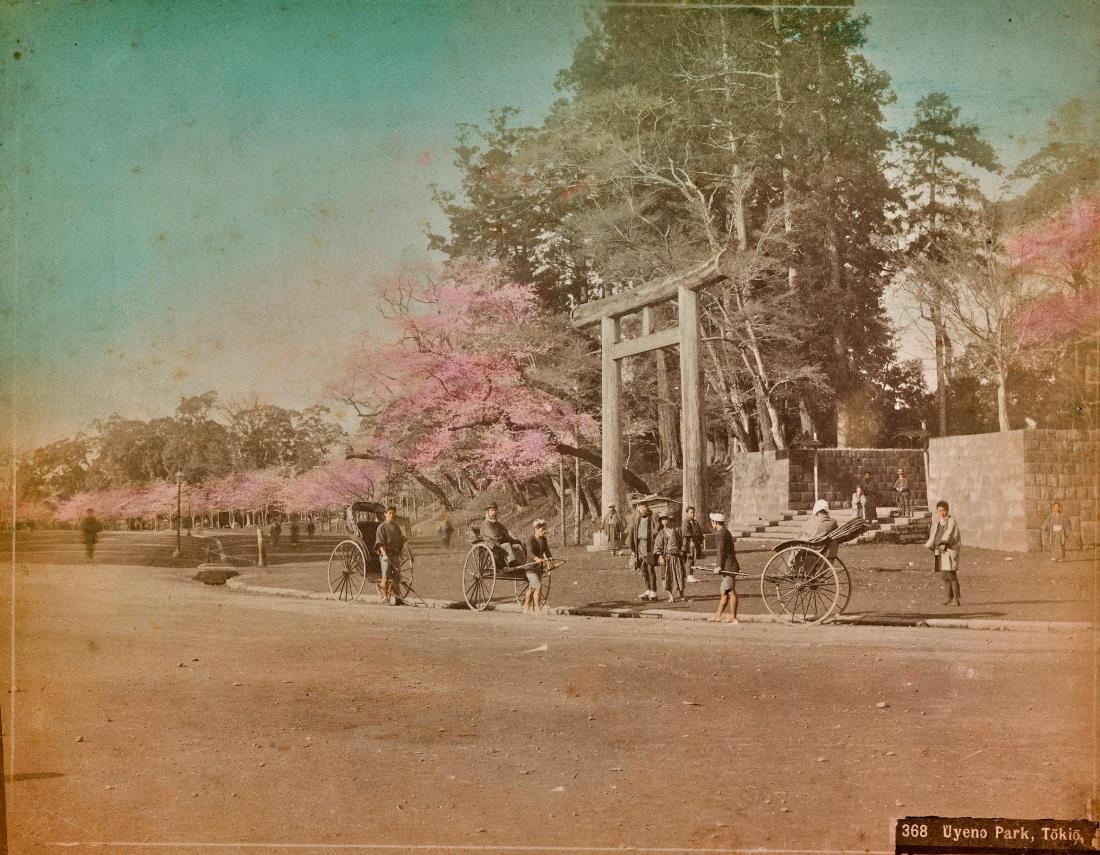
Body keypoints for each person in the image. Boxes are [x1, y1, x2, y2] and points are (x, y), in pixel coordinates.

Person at [925, 500, 961, 606]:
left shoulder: (951, 521)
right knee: (943, 575)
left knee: (950, 574)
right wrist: (931, 545)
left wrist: (943, 543)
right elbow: (934, 534)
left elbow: (950, 534)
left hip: (947, 550)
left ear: (947, 510)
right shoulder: (937, 522)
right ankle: (948, 598)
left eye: (944, 510)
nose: (942, 513)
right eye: (940, 510)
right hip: (938, 550)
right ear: (937, 511)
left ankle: (956, 599)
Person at [708, 512, 740, 624]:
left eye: (712, 522)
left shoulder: (721, 533)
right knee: (724, 592)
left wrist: (718, 566)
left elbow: (721, 551)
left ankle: (733, 617)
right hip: (729, 564)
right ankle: (717, 615)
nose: (712, 524)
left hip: (728, 566)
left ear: (715, 522)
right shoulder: (726, 532)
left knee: (730, 591)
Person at [375, 505, 407, 605]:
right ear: (385, 514)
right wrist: (384, 555)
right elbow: (380, 543)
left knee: (397, 577)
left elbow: (401, 540)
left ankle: (398, 599)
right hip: (386, 555)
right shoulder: (381, 527)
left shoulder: (396, 527)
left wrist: (400, 552)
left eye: (393, 513)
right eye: (390, 513)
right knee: (385, 577)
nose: (392, 515)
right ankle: (385, 597)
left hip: (395, 555)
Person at [628, 501, 659, 601]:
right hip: (640, 547)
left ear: (647, 508)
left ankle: (653, 591)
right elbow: (632, 532)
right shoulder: (637, 519)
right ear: (638, 509)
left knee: (650, 568)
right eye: (641, 508)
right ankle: (647, 589)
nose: (643, 510)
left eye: (644, 508)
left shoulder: (653, 517)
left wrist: (654, 534)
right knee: (643, 569)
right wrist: (633, 548)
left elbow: (657, 527)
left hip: (649, 547)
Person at [653, 513, 686, 603]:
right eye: (663, 520)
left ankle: (681, 595)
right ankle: (671, 596)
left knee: (680, 575)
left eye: (666, 519)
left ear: (669, 519)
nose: (665, 521)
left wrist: (682, 550)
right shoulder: (661, 533)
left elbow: (683, 540)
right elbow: (658, 546)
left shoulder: (677, 530)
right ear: (661, 522)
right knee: (666, 577)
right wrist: (660, 557)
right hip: (666, 557)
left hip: (677, 557)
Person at [523, 519, 553, 614]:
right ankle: (537, 608)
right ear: (536, 529)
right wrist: (536, 559)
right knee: (538, 587)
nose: (544, 532)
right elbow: (530, 552)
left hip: (538, 568)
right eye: (542, 530)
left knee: (532, 588)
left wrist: (550, 558)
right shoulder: (530, 539)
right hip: (530, 567)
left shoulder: (543, 539)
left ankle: (526, 607)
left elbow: (547, 550)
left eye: (545, 530)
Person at [682, 506, 705, 582]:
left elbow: (699, 532)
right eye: (691, 512)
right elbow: (686, 533)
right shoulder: (686, 521)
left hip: (695, 543)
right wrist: (691, 541)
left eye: (693, 512)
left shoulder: (695, 522)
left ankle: (690, 575)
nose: (693, 514)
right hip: (688, 543)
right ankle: (688, 576)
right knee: (689, 559)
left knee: (693, 559)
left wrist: (701, 542)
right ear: (687, 513)